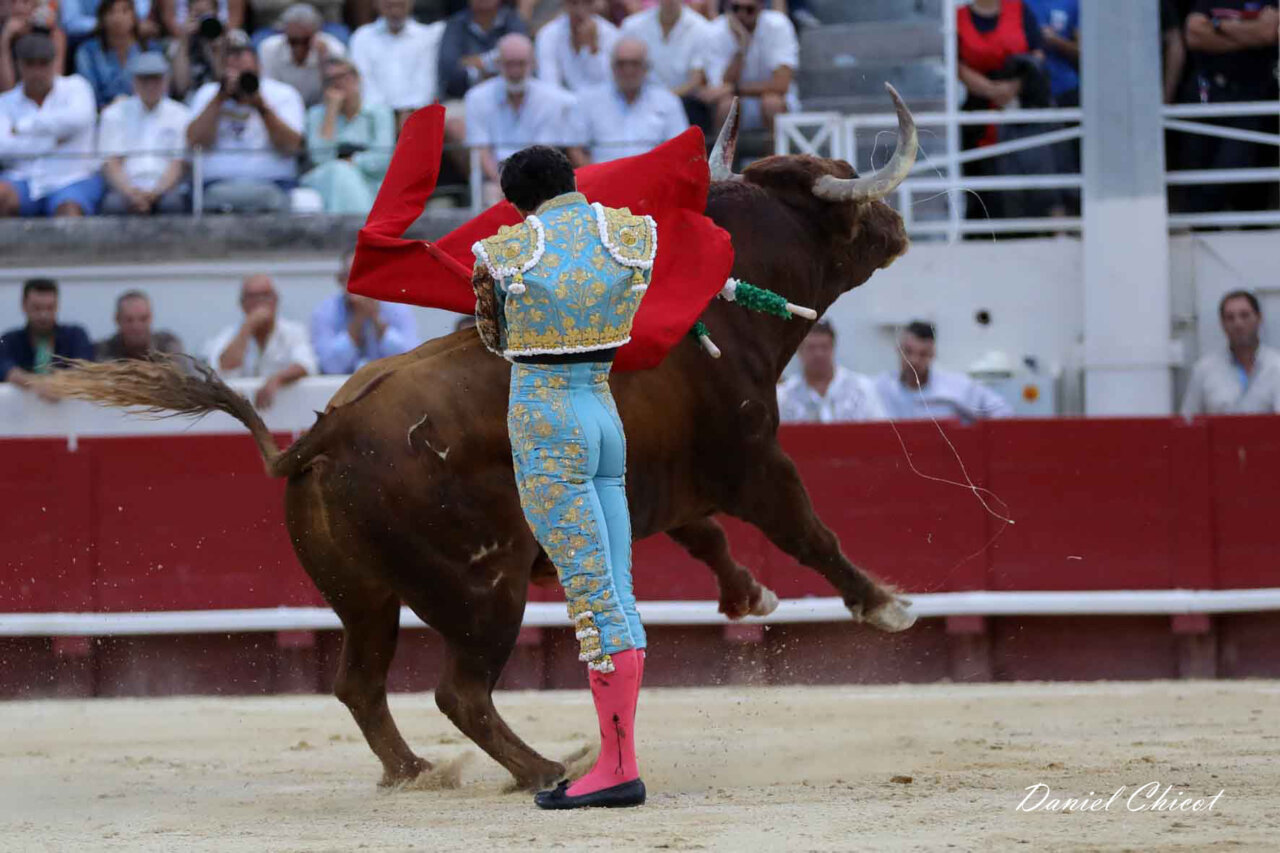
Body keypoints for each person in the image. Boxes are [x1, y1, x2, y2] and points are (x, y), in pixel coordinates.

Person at [472, 145, 653, 810]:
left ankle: (618, 767)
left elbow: (495, 337)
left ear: (516, 201)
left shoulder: (506, 251)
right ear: (571, 180)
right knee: (617, 592)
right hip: (604, 412)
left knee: (593, 599)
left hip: (548, 422)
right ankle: (619, 758)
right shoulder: (631, 234)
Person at [185, 30, 305, 213]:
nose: (234, 61)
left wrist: (261, 106)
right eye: (229, 56)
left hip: (273, 183)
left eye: (240, 55)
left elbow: (291, 147)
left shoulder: (283, 94)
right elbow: (196, 142)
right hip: (216, 185)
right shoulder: (207, 93)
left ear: (258, 63)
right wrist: (219, 98)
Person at [1182, 1, 1279, 213]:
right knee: (1198, 162)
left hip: (1251, 96)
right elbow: (1194, 36)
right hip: (1208, 92)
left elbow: (1268, 33)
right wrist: (1249, 35)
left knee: (1236, 161)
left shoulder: (1269, 2)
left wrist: (1218, 25)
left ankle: (1201, 215)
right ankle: (1202, 221)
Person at [464, 33, 577, 205]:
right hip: (495, 180)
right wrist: (505, 184)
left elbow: (544, 153)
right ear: (498, 64)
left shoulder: (553, 99)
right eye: (509, 64)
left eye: (521, 64)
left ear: (533, 63)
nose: (515, 71)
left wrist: (523, 187)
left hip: (538, 179)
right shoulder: (476, 98)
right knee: (491, 196)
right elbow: (481, 150)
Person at [0, 34, 103, 218]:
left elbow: (79, 119)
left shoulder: (77, 86)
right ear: (18, 65)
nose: (37, 71)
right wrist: (50, 142)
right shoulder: (5, 102)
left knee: (69, 211)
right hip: (22, 178)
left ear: (54, 63)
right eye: (30, 64)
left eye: (43, 63)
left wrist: (23, 128)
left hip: (73, 178)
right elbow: (3, 148)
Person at [436, 0, 527, 169]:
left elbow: (520, 62)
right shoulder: (455, 24)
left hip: (509, 97)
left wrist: (476, 64)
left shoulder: (513, 21)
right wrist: (494, 63)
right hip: (464, 98)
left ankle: (515, 176)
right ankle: (488, 177)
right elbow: (450, 74)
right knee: (451, 123)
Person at [204, 273, 317, 408]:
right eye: (252, 297)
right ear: (242, 303)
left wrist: (277, 379)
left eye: (265, 295)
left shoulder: (294, 332)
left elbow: (306, 365)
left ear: (276, 299)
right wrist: (248, 326)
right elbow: (223, 368)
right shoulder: (228, 335)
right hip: (240, 413)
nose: (260, 302)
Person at [98, 51, 190, 215]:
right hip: (126, 188)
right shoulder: (115, 113)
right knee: (112, 205)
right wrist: (131, 193)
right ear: (133, 82)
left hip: (166, 188)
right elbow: (111, 163)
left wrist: (156, 193)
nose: (150, 85)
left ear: (166, 80)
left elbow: (178, 164)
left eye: (156, 79)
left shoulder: (181, 114)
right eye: (144, 79)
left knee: (173, 204)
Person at [570, 36, 687, 165]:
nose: (628, 70)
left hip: (654, 175)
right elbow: (576, 149)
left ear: (647, 67)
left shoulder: (668, 102)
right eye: (621, 64)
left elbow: (680, 148)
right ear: (612, 67)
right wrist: (593, 175)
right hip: (602, 174)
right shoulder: (588, 100)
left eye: (635, 64)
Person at [302, 58, 394, 214]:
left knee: (343, 172)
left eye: (343, 76)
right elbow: (320, 159)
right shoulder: (316, 115)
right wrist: (331, 112)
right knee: (338, 172)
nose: (337, 83)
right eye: (330, 80)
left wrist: (352, 162)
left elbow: (383, 159)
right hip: (326, 179)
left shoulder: (379, 113)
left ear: (357, 79)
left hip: (371, 180)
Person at [695, 0, 799, 137]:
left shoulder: (778, 25)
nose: (741, 14)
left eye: (749, 9)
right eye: (736, 8)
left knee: (771, 103)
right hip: (737, 101)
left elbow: (781, 85)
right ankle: (727, 152)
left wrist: (734, 89)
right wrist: (742, 48)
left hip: (773, 100)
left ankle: (775, 151)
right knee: (727, 106)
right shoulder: (715, 30)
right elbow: (721, 86)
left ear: (761, 7)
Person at [875, 320, 1013, 423]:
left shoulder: (957, 387)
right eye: (908, 352)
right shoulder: (880, 389)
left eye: (923, 354)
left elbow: (1003, 412)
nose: (914, 360)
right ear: (898, 350)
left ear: (933, 355)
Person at [310, 249, 417, 374]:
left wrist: (376, 319)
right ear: (340, 279)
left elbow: (410, 360)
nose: (360, 283)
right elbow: (330, 367)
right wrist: (358, 320)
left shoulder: (397, 307)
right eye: (352, 276)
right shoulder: (325, 312)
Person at [1182, 290, 1280, 415]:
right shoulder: (1204, 371)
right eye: (1230, 318)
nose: (1238, 323)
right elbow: (1189, 421)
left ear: (1259, 318)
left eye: (1245, 315)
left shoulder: (1277, 366)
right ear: (1222, 324)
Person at [0, 278, 94, 401]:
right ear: (24, 306)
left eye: (50, 308)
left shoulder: (75, 336)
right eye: (37, 308)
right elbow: (6, 368)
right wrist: (37, 384)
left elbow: (84, 367)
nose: (43, 315)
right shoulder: (10, 340)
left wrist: (55, 385)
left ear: (57, 306)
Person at [619, 0, 710, 127]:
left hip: (683, 104)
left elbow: (695, 80)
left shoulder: (702, 28)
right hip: (635, 101)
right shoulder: (632, 26)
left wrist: (662, 101)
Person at [348, 0, 444, 120]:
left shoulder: (426, 36)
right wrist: (387, 116)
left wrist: (411, 111)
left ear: (411, 3)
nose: (395, 11)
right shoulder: (362, 37)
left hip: (417, 112)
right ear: (376, 4)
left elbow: (426, 81)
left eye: (400, 5)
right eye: (389, 6)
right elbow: (363, 80)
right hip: (373, 115)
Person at [777, 321, 886, 423]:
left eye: (824, 347)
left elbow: (879, 430)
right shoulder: (783, 396)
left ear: (833, 348)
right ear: (798, 351)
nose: (818, 354)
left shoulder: (862, 389)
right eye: (811, 347)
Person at [257, 3, 346, 108]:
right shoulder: (269, 49)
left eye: (305, 41)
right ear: (285, 34)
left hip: (321, 108)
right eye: (293, 41)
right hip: (282, 107)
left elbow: (336, 92)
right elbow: (270, 89)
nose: (298, 47)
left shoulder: (334, 49)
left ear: (317, 33)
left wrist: (324, 61)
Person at [74, 0, 152, 109]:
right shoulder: (87, 52)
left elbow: (159, 89)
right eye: (111, 12)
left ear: (134, 17)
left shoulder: (149, 50)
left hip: (144, 111)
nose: (118, 18)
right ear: (102, 17)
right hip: (101, 112)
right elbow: (86, 94)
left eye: (124, 11)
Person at [534, 0, 619, 93]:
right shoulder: (548, 35)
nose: (580, 10)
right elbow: (548, 82)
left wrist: (593, 49)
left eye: (587, 3)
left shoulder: (610, 34)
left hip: (600, 99)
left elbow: (609, 82)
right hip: (561, 100)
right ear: (565, 4)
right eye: (574, 3)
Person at [1, 0, 68, 93]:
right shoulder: (3, 36)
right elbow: (6, 93)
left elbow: (52, 87)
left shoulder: (53, 35)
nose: (19, 8)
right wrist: (5, 40)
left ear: (36, 6)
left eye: (25, 2)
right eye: (13, 2)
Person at [95, 289, 183, 360]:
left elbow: (181, 374)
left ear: (151, 318)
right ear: (117, 320)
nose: (136, 327)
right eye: (129, 320)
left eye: (143, 319)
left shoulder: (167, 345)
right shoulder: (104, 349)